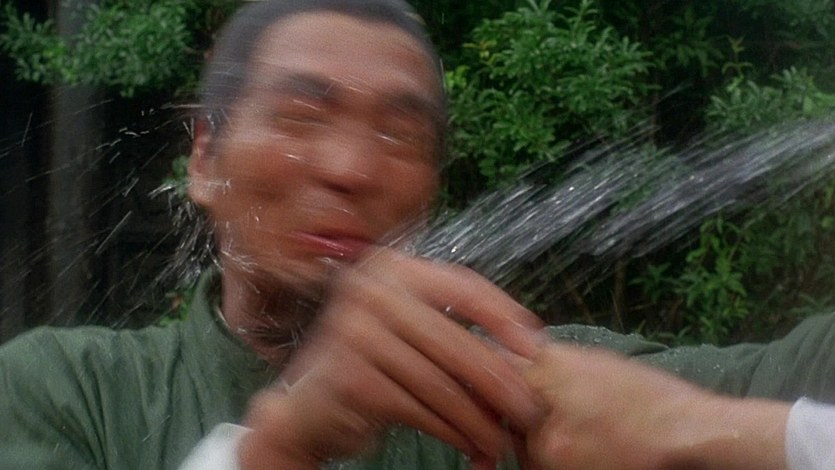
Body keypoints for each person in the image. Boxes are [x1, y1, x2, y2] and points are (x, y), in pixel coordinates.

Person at [0, 1, 833, 469]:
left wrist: (708, 428)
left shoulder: (525, 391)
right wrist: (279, 445)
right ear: (203, 158)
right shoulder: (63, 392)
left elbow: (785, 384)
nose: (352, 167)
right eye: (300, 115)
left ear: (432, 190)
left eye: (399, 134)